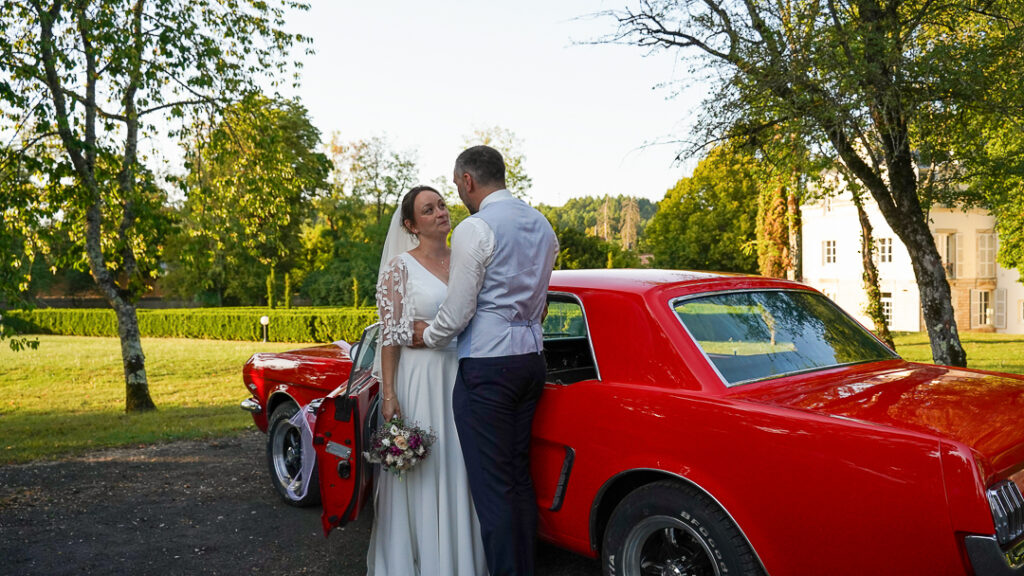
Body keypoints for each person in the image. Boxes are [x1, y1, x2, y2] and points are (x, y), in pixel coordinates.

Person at [413, 145, 559, 576]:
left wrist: (430, 336)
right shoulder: (542, 224)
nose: (457, 193)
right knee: (517, 479)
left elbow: (459, 311)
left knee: (493, 489)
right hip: (532, 361)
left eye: (457, 184)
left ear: (468, 181)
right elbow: (543, 301)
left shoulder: (476, 229)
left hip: (488, 367)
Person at [369, 185, 486, 576]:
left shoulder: (466, 259)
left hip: (462, 372)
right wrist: (388, 395)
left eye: (441, 204)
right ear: (411, 225)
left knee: (461, 463)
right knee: (426, 466)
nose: (440, 212)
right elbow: (390, 334)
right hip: (419, 377)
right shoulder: (400, 267)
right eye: (428, 210)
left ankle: (459, 560)